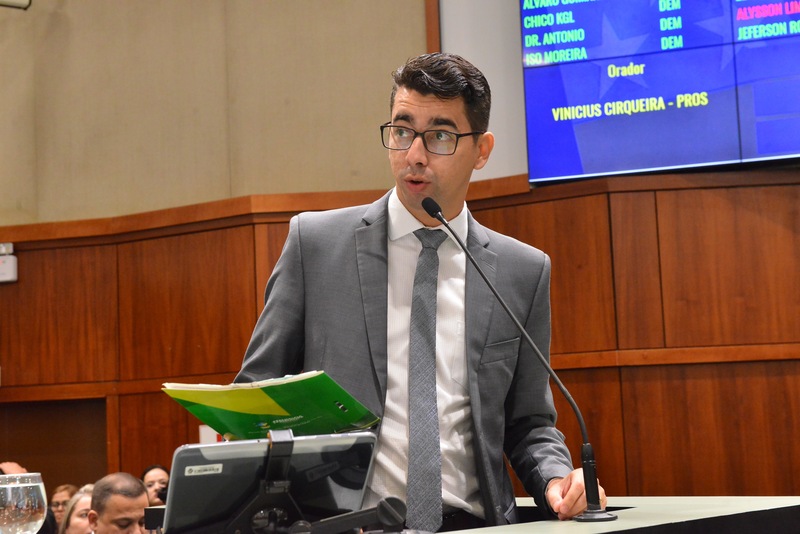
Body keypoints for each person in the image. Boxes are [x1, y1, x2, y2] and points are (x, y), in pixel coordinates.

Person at [235, 52, 606, 531]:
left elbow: (529, 423)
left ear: (482, 150)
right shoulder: (317, 245)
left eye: (440, 136)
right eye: (402, 130)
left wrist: (557, 479)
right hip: (346, 524)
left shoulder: (521, 270)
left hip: (473, 524)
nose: (414, 154)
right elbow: (256, 395)